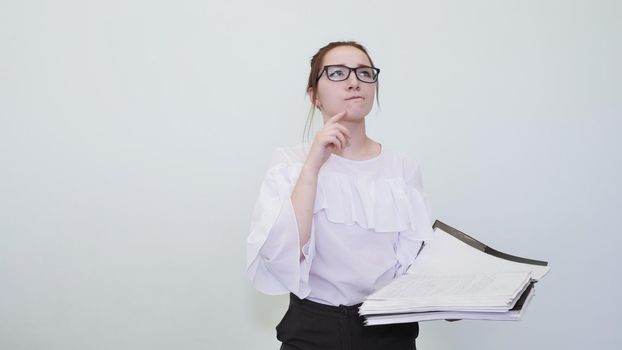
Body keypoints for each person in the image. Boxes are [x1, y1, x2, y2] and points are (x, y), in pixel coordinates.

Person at [246, 41, 434, 350]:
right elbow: (282, 255)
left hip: (388, 330)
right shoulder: (289, 163)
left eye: (364, 72)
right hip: (311, 331)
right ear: (314, 96)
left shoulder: (403, 169)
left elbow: (415, 264)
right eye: (336, 73)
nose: (353, 81)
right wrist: (313, 167)